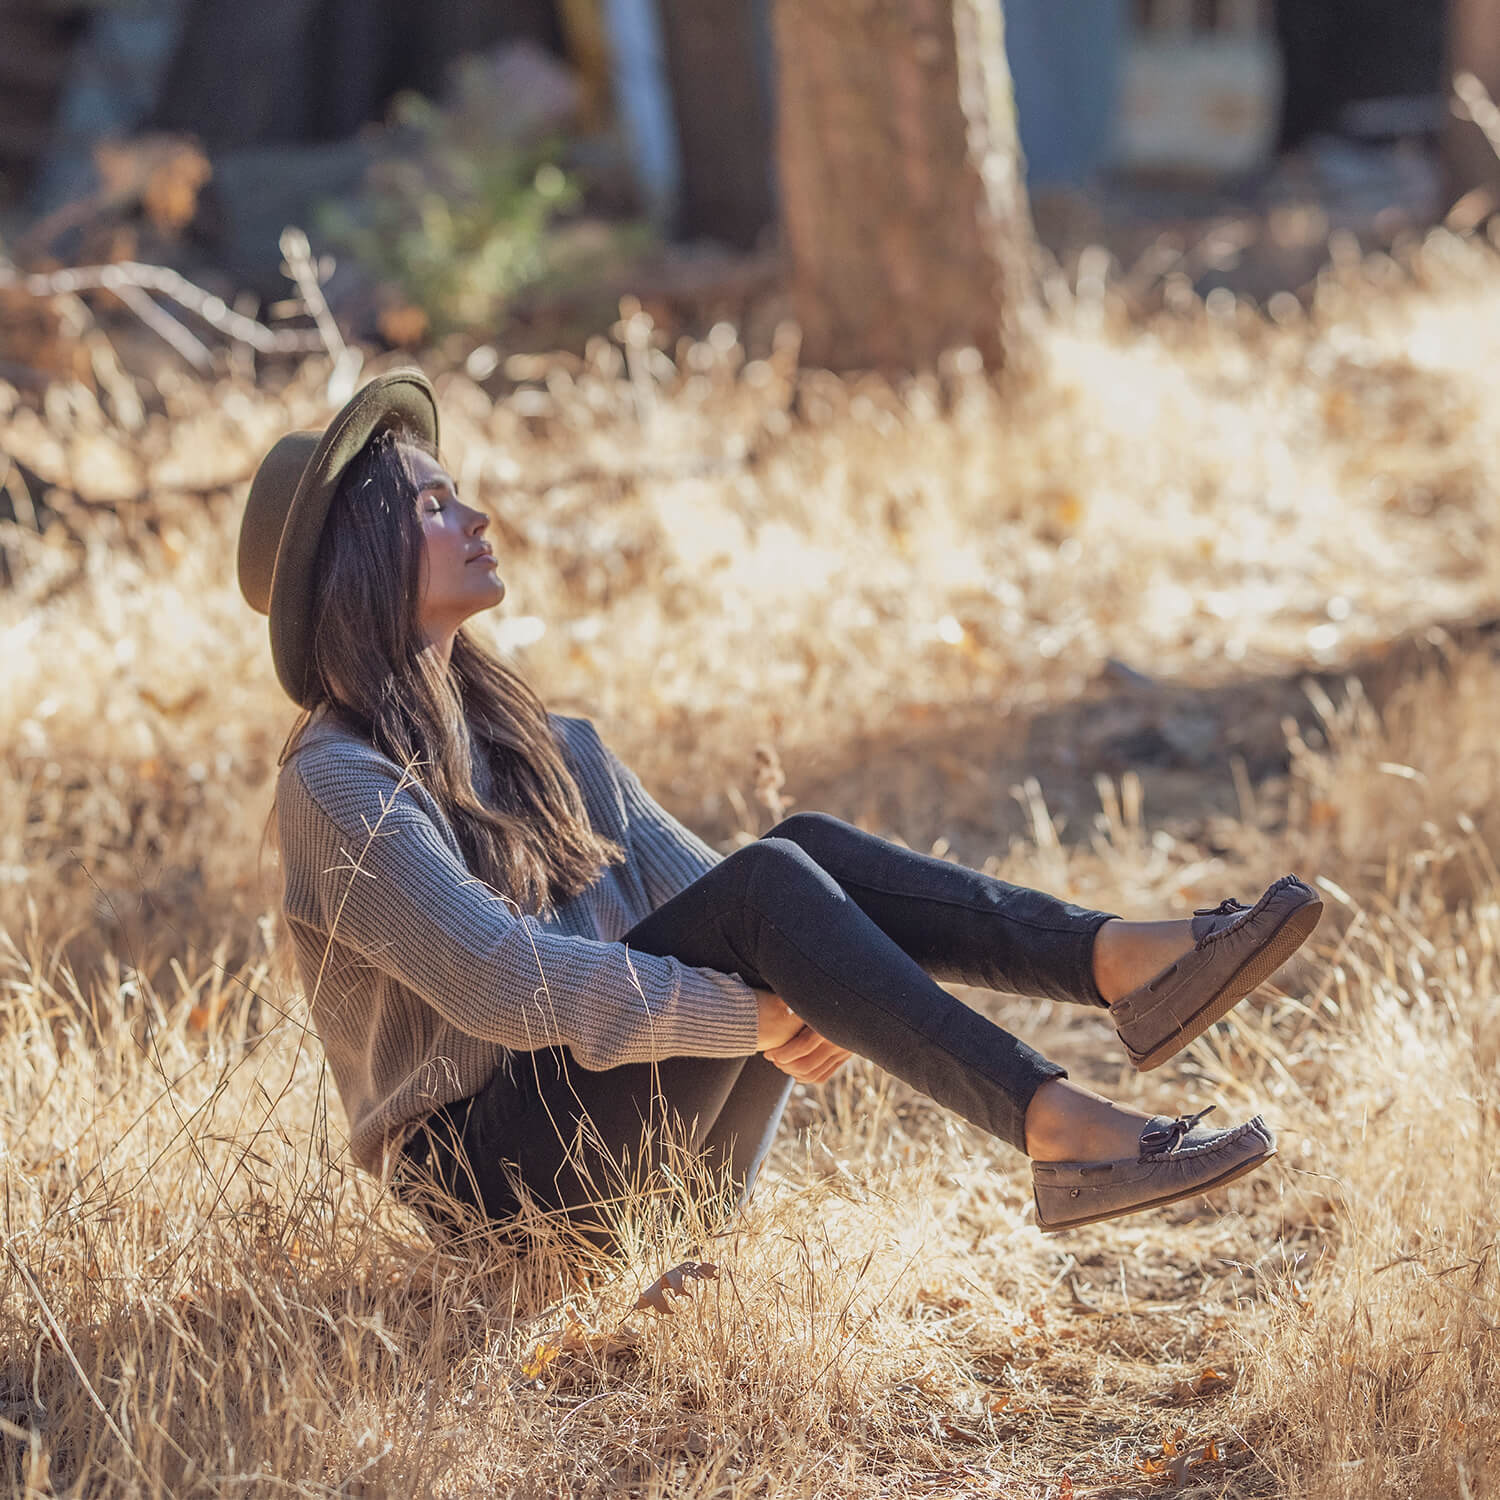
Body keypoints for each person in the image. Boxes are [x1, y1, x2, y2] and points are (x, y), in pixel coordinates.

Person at [238, 371, 1322, 1255]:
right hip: (500, 1192)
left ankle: (1117, 961)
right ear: (365, 559)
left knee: (791, 855)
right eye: (434, 506)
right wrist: (757, 1015)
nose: (477, 517)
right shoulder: (341, 786)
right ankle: (1055, 1122)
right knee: (769, 889)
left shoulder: (548, 743)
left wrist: (809, 985)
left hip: (668, 1168)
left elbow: (774, 907)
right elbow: (503, 983)